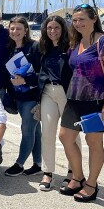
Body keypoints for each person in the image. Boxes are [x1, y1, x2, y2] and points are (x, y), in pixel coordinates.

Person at [58, 4, 104, 202]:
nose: (77, 23)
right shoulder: (77, 41)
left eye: (82, 19)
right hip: (75, 99)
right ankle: (77, 177)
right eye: (75, 20)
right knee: (65, 137)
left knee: (93, 142)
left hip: (96, 100)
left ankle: (91, 185)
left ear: (94, 19)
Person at [36, 16, 81, 191]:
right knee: (47, 133)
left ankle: (73, 172)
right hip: (48, 92)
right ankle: (47, 172)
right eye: (49, 28)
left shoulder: (71, 48)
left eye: (56, 28)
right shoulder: (43, 47)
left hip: (67, 94)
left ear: (63, 29)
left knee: (72, 135)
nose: (52, 31)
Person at [3, 16, 42, 177]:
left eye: (19, 28)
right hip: (18, 97)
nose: (15, 31)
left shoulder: (34, 47)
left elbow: (42, 73)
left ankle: (19, 164)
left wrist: (26, 79)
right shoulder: (10, 49)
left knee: (27, 131)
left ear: (26, 30)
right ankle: (38, 164)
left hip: (32, 97)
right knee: (35, 131)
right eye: (12, 28)